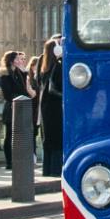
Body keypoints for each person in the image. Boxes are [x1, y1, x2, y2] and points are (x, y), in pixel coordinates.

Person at [0, 50, 29, 171]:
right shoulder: (4, 74)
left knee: (20, 135)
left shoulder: (18, 73)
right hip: (10, 107)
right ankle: (9, 162)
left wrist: (24, 73)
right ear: (11, 61)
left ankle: (19, 159)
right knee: (9, 135)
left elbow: (24, 90)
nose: (20, 61)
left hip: (21, 106)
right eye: (17, 59)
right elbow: (8, 94)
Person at [37, 36, 64, 176]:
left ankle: (47, 170)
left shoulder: (43, 67)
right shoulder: (58, 66)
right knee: (57, 139)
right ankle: (55, 170)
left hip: (45, 106)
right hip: (56, 106)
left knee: (47, 139)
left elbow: (38, 83)